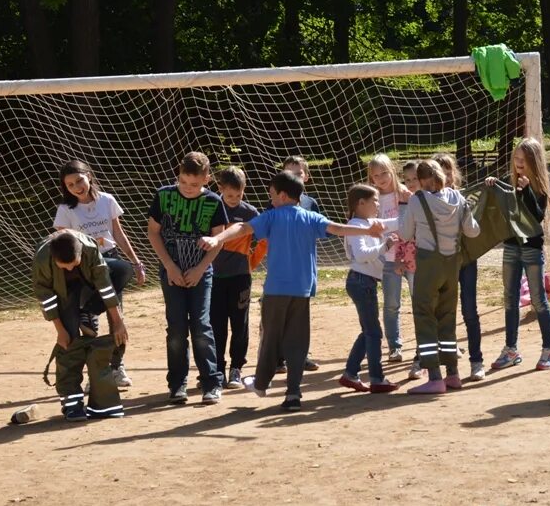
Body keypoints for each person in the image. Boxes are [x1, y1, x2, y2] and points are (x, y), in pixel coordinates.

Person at [198, 170, 385, 411]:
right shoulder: (310, 217)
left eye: (272, 194)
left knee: (271, 338)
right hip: (303, 289)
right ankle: (293, 393)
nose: (270, 198)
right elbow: (338, 229)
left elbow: (243, 228)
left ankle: (261, 384)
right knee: (298, 342)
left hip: (276, 290)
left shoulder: (272, 216)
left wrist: (218, 239)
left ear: (283, 195)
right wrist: (368, 230)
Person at [53, 159, 145, 388]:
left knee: (117, 317)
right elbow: (65, 244)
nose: (76, 187)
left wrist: (136, 262)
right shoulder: (65, 210)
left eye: (79, 180)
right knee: (89, 327)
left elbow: (118, 233)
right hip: (84, 266)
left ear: (89, 176)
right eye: (70, 185)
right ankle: (94, 372)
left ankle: (117, 367)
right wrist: (89, 245)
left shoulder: (107, 200)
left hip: (111, 261)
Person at [148, 151, 228, 405]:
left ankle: (212, 383)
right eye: (183, 181)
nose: (188, 188)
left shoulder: (214, 201)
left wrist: (201, 268)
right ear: (178, 175)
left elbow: (218, 241)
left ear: (206, 179)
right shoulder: (164, 196)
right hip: (171, 272)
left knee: (201, 327)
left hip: (200, 273)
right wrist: (170, 266)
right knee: (176, 328)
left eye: (195, 184)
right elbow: (153, 233)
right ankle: (177, 384)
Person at [400, 160, 480, 394]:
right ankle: (453, 374)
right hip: (452, 264)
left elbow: (405, 233)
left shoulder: (417, 200)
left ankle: (434, 376)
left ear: (423, 180)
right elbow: (473, 231)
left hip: (428, 264)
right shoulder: (458, 198)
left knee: (425, 316)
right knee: (447, 316)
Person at [485, 137, 550, 372]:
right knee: (510, 298)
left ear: (534, 161)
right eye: (516, 158)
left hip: (531, 249)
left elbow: (536, 216)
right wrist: (493, 185)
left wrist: (526, 189)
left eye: (524, 159)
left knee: (539, 300)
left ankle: (549, 349)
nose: (519, 163)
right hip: (511, 247)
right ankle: (511, 350)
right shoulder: (511, 183)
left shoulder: (538, 188)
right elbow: (500, 208)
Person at [32, 230, 128, 421]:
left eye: (73, 264)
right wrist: (60, 331)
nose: (68, 269)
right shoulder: (42, 258)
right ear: (53, 257)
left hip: (85, 286)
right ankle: (72, 403)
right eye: (63, 266)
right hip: (61, 295)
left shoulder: (90, 248)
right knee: (69, 343)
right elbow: (45, 297)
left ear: (81, 253)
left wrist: (118, 322)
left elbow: (105, 284)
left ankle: (87, 311)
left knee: (123, 269)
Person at [338, 184, 401, 394]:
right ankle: (377, 378)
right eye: (374, 201)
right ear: (360, 203)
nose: (377, 204)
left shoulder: (370, 222)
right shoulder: (356, 225)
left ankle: (350, 374)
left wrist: (418, 209)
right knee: (373, 333)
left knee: (369, 331)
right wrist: (385, 246)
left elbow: (394, 223)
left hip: (365, 282)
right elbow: (362, 254)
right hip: (360, 282)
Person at [210, 167, 268, 389]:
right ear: (220, 189)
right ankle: (217, 369)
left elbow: (263, 241)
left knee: (239, 323)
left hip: (240, 277)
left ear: (244, 190)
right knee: (216, 324)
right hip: (214, 277)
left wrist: (251, 263)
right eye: (229, 195)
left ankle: (236, 368)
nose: (234, 200)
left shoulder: (251, 213)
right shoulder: (213, 208)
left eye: (239, 195)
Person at [433, 153, 485, 381]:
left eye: (448, 170)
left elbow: (473, 231)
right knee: (442, 313)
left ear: (455, 173)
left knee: (469, 311)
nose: (444, 175)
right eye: (439, 171)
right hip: (442, 263)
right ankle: (444, 366)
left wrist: (465, 211)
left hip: (466, 263)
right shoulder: (426, 200)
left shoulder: (464, 198)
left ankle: (477, 362)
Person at [276, 156, 321, 372]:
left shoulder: (311, 204)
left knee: (301, 316)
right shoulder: (275, 202)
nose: (294, 177)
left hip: (303, 269)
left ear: (307, 177)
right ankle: (277, 358)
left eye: (298, 173)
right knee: (280, 314)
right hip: (281, 269)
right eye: (289, 173)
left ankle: (301, 355)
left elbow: (319, 231)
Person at [367, 153, 412, 362]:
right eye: (376, 175)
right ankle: (395, 346)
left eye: (384, 172)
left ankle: (426, 345)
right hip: (388, 258)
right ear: (371, 178)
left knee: (419, 301)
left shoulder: (404, 193)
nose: (381, 178)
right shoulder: (371, 198)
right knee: (391, 304)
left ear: (393, 171)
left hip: (411, 256)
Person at [398, 162, 421, 380]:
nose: (412, 183)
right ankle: (420, 355)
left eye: (415, 178)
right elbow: (402, 235)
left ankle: (446, 351)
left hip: (437, 263)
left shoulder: (435, 199)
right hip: (415, 266)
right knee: (420, 309)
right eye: (408, 180)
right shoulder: (405, 204)